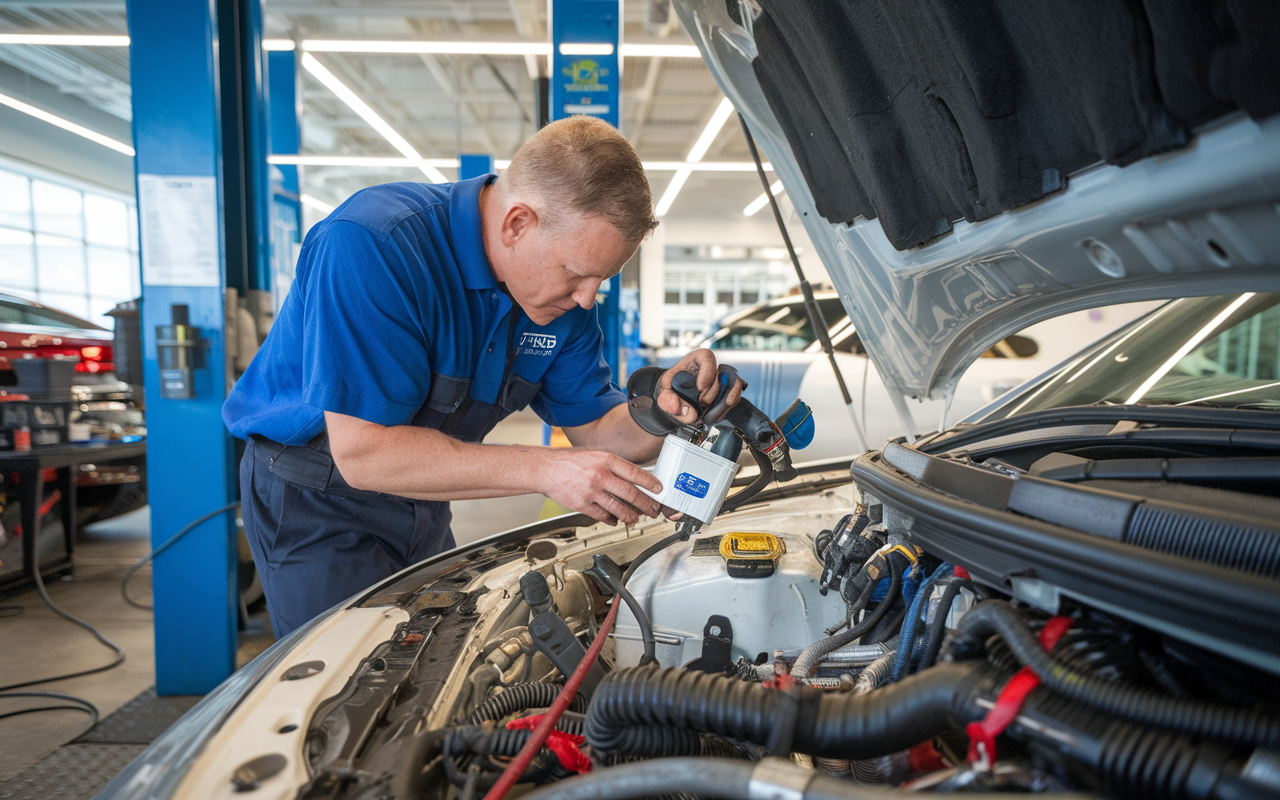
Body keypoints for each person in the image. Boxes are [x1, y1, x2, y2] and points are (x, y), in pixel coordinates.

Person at [223, 116, 742, 637]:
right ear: (517, 224)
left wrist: (661, 410)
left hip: (425, 494)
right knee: (348, 685)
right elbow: (364, 453)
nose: (588, 298)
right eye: (577, 273)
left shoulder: (562, 305)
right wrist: (549, 471)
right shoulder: (374, 246)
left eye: (602, 279)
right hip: (318, 503)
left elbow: (596, 429)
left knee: (434, 652)